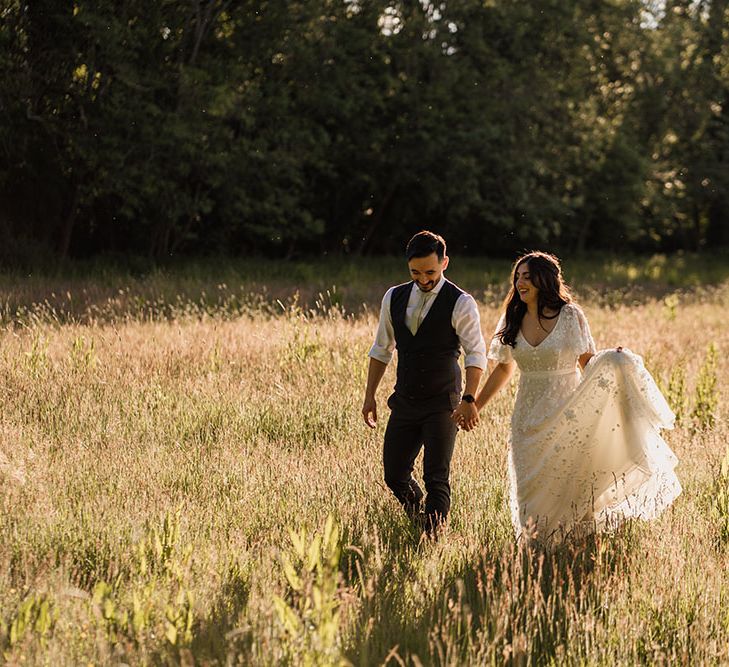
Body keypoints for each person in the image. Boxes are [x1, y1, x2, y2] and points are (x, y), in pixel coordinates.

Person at [453, 251, 682, 543]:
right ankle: (535, 543)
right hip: (526, 416)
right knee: (529, 484)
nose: (520, 282)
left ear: (544, 280)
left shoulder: (570, 315)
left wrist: (613, 361)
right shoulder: (513, 317)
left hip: (567, 412)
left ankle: (568, 541)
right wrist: (475, 405)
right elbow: (503, 369)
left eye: (527, 276)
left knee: (566, 482)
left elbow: (587, 363)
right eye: (518, 276)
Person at [363, 231, 487, 535]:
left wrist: (469, 399)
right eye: (415, 272)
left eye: (430, 272)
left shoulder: (461, 303)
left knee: (436, 477)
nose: (423, 279)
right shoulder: (393, 297)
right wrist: (369, 396)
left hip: (443, 402)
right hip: (404, 399)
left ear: (444, 263)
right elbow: (381, 349)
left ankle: (431, 538)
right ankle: (417, 512)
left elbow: (476, 354)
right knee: (394, 474)